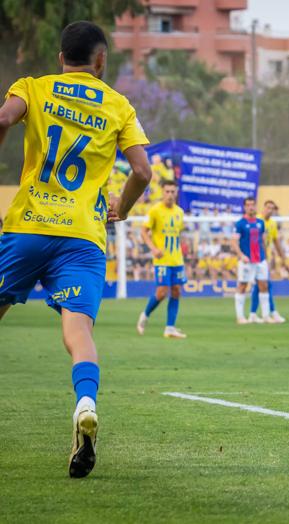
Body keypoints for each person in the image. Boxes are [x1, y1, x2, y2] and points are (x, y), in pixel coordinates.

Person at [0, 21, 151, 477]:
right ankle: (85, 401)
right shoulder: (119, 105)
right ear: (100, 60)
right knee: (79, 331)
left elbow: (4, 118)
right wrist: (121, 207)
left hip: (28, 225)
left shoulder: (35, 86)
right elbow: (143, 170)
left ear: (60, 56)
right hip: (83, 236)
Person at [136, 180, 187, 338]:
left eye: (173, 191)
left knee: (177, 291)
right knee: (162, 292)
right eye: (167, 191)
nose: (170, 195)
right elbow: (144, 232)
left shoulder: (180, 212)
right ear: (162, 192)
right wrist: (153, 249)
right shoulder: (155, 210)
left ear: (176, 192)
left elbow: (177, 235)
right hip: (162, 260)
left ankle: (170, 328)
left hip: (177, 260)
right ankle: (145, 315)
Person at [232, 197, 278, 324]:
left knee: (264, 285)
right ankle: (240, 317)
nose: (251, 207)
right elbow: (234, 242)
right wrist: (241, 255)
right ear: (245, 207)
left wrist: (266, 258)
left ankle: (266, 316)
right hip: (246, 260)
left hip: (260, 260)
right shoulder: (240, 223)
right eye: (248, 205)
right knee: (242, 286)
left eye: (253, 205)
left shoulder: (260, 223)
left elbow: (262, 241)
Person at [249, 199, 286, 323]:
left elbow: (275, 241)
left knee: (259, 286)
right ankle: (272, 312)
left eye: (272, 208)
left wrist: (282, 256)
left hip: (265, 257)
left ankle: (253, 313)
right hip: (255, 258)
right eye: (268, 207)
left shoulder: (273, 223)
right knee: (266, 285)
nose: (270, 210)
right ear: (263, 208)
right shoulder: (258, 220)